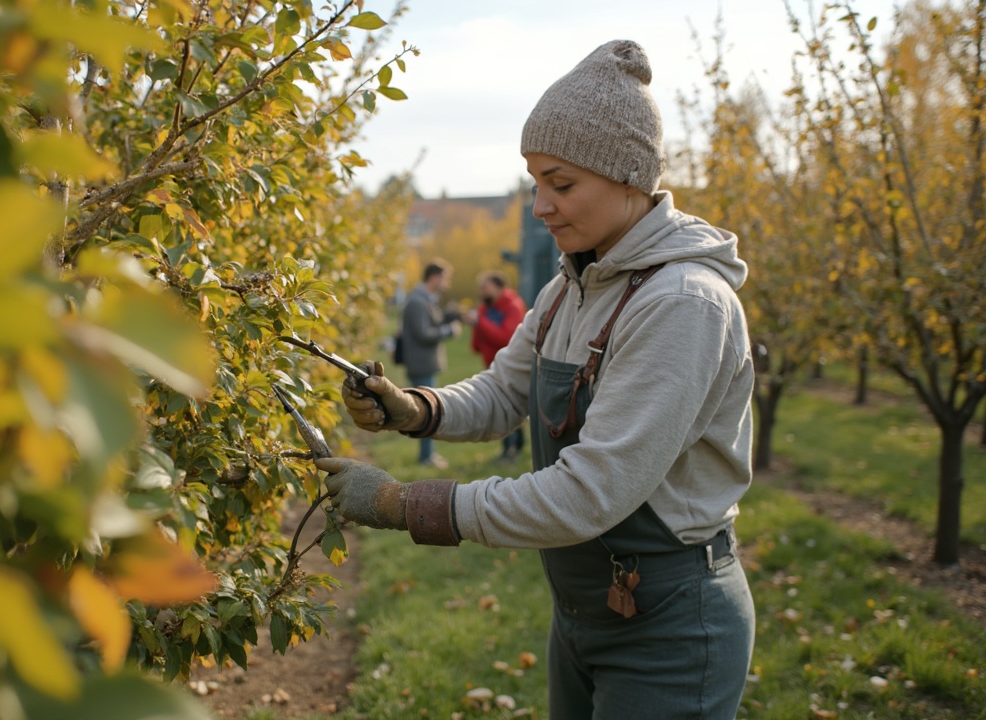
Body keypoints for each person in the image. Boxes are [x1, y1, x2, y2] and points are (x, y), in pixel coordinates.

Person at [320, 40, 756, 719]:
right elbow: (501, 392)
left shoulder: (682, 305)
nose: (539, 206)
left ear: (630, 177)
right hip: (585, 610)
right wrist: (413, 407)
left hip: (668, 627)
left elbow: (588, 493)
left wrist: (406, 504)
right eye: (534, 183)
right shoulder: (570, 287)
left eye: (561, 183)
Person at [397, 259, 461, 468]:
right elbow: (423, 333)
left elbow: (429, 325)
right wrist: (449, 331)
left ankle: (427, 455)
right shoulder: (417, 301)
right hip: (421, 364)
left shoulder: (425, 299)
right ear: (434, 277)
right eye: (445, 278)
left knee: (427, 410)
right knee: (427, 411)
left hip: (424, 363)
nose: (447, 283)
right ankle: (426, 457)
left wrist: (446, 319)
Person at [470, 271, 527, 462]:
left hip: (510, 365)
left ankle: (512, 449)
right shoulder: (486, 307)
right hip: (491, 363)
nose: (482, 291)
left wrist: (480, 323)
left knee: (508, 406)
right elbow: (479, 337)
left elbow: (506, 337)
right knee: (502, 406)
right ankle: (512, 447)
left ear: (498, 287)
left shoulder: (513, 306)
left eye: (485, 287)